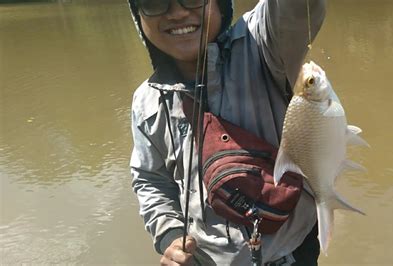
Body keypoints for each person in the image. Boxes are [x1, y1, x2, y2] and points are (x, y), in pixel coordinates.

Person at [128, 0, 326, 265]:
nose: (177, 13)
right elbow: (151, 180)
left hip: (292, 253)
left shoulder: (263, 41)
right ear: (139, 17)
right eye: (155, 3)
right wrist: (170, 236)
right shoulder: (145, 102)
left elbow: (295, 9)